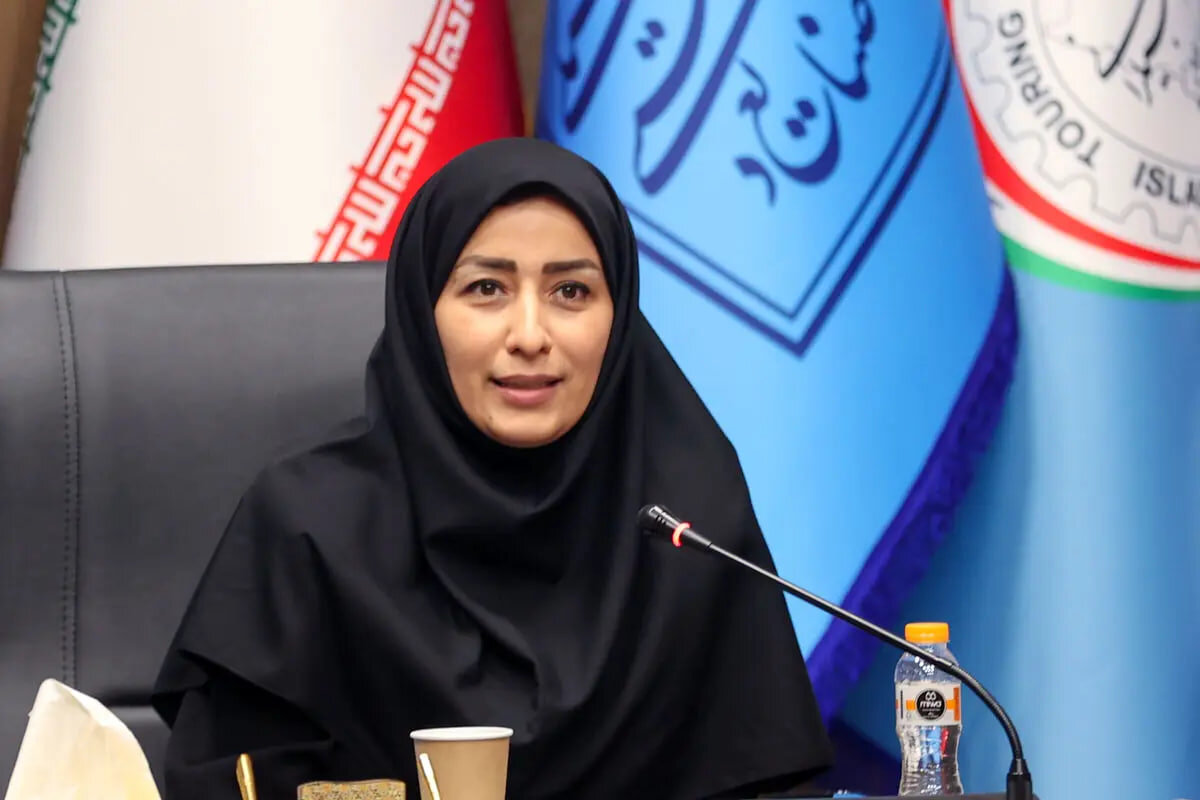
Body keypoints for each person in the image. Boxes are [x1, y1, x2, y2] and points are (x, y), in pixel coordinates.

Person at [152, 138, 832, 799]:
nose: (530, 335)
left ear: (619, 314)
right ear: (423, 309)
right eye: (486, 288)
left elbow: (768, 779)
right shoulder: (307, 525)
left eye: (571, 291)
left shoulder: (684, 521)